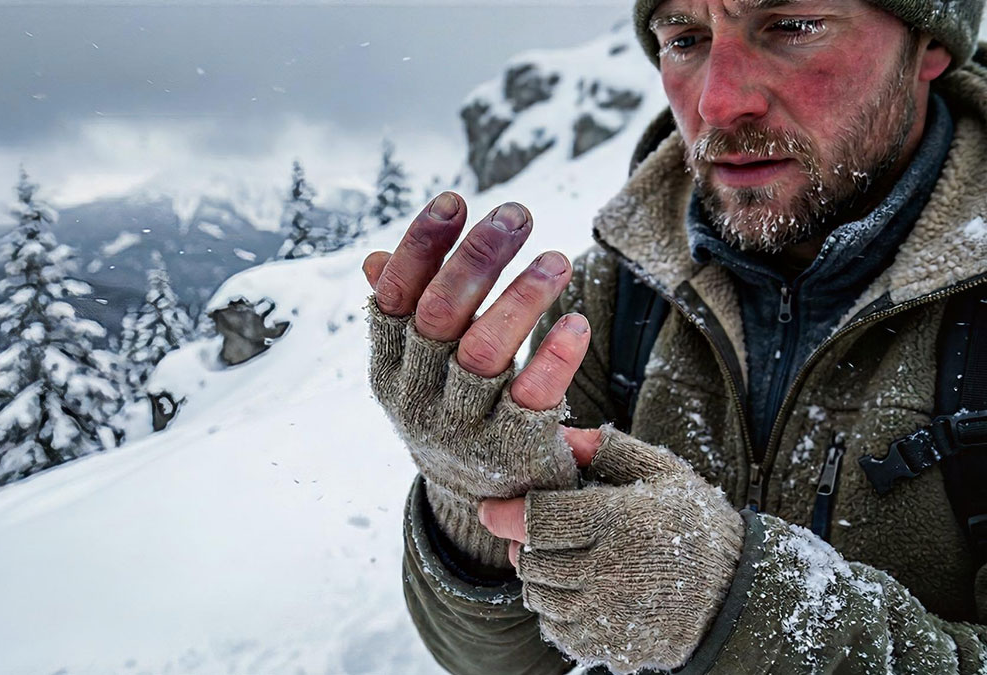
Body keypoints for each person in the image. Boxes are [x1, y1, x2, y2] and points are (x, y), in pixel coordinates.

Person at [360, 0, 987, 670]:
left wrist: (739, 609)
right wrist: (476, 494)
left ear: (929, 45)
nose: (718, 103)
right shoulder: (617, 292)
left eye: (791, 26)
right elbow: (505, 660)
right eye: (685, 39)